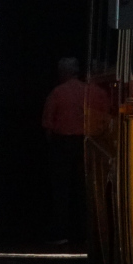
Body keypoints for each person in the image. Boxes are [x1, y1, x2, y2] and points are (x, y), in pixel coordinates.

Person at [41, 57, 86, 245]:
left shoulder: (57, 93)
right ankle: (84, 233)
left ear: (63, 73)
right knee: (84, 189)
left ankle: (61, 233)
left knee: (61, 190)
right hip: (86, 144)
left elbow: (47, 124)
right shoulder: (92, 92)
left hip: (62, 144)